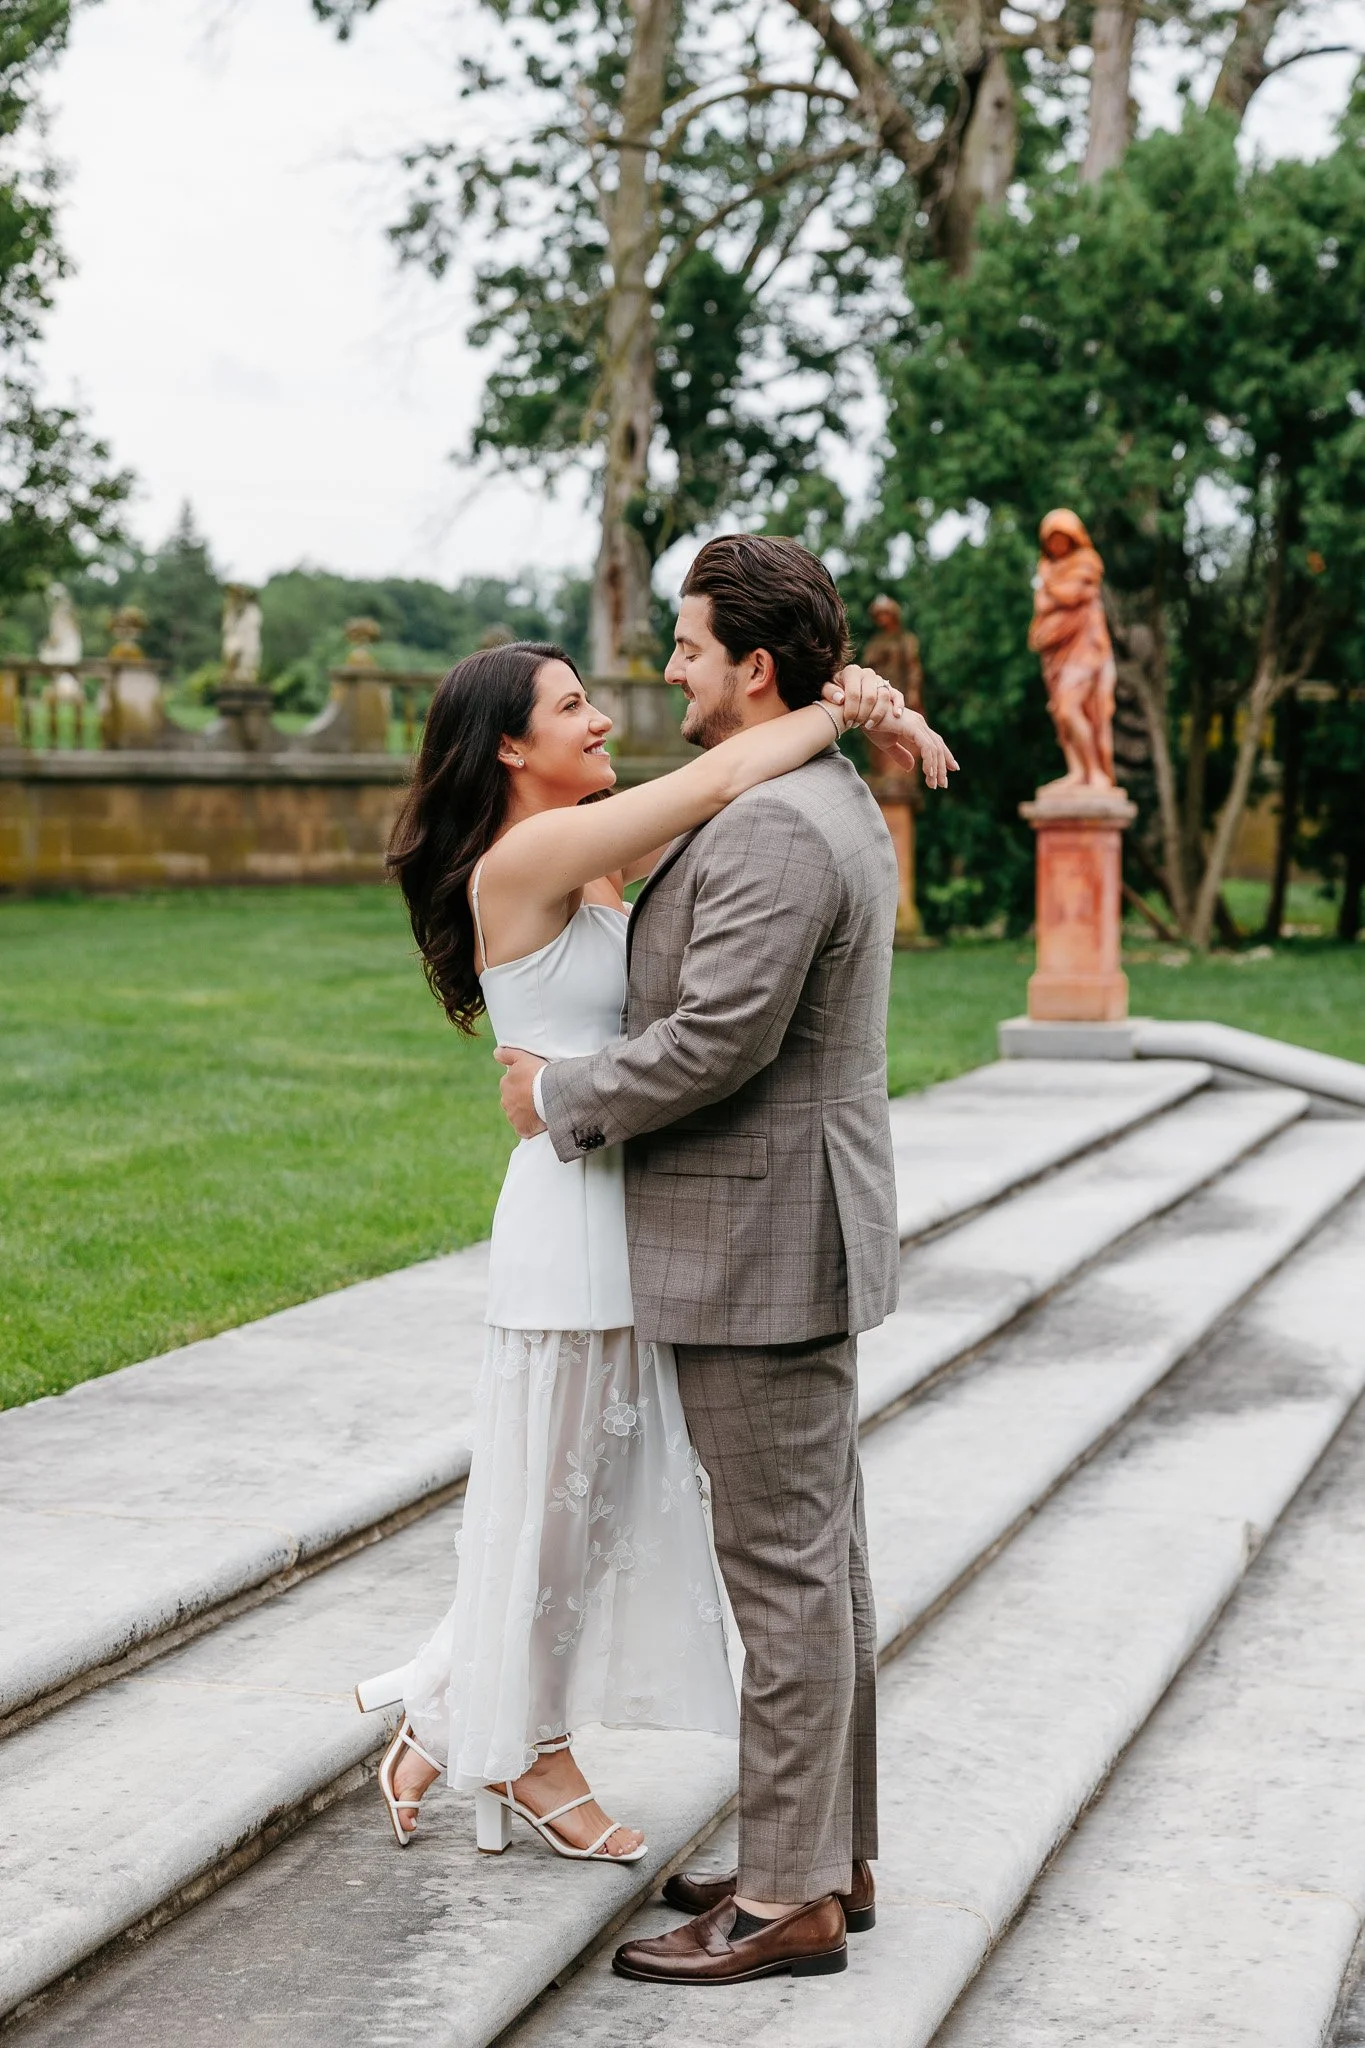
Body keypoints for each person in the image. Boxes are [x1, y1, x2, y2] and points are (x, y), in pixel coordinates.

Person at [354, 628, 945, 1870]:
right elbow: (727, 777)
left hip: (640, 1213)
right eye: (572, 709)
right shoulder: (530, 854)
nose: (603, 720)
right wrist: (846, 702)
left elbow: (731, 833)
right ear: (509, 746)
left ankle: (444, 1714)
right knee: (557, 1508)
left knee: (592, 1504)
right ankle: (524, 1747)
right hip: (569, 1225)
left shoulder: (606, 851)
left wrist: (860, 693)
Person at [497, 536, 959, 1985]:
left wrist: (557, 1099)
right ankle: (821, 1845)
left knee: (787, 1575)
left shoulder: (771, 826)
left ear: (754, 666)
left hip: (762, 1240)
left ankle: (786, 1899)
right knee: (817, 1565)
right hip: (778, 1231)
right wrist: (859, 705)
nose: (669, 670)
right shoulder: (791, 790)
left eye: (689, 647)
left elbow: (712, 1043)